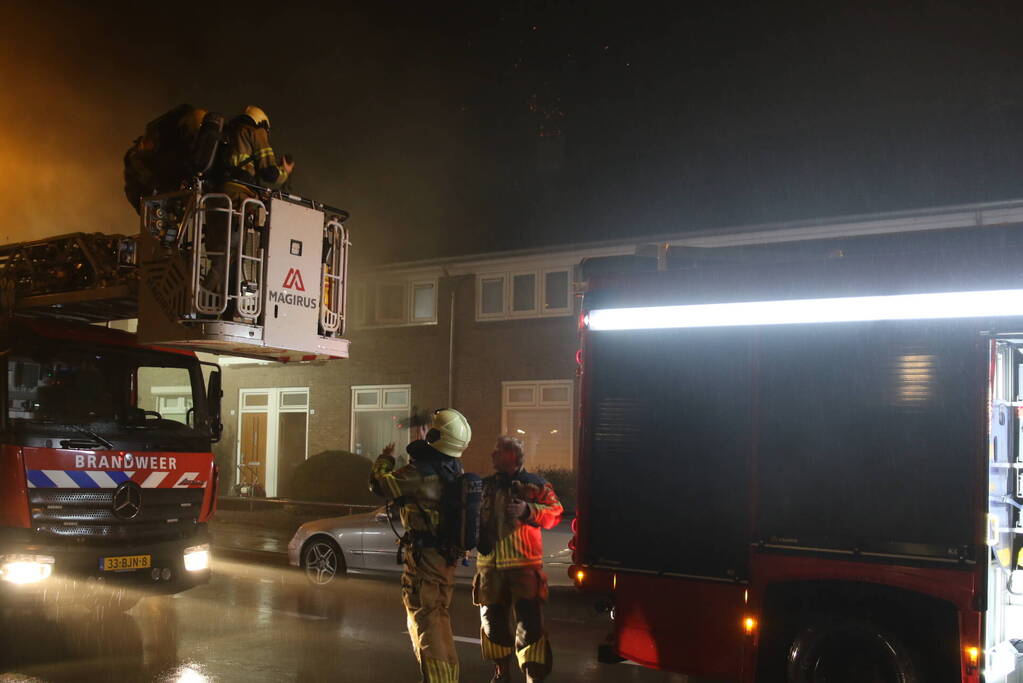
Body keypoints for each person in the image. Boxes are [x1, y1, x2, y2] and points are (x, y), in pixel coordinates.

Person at [368, 409, 473, 683]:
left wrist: (385, 460)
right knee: (438, 616)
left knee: (427, 618)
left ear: (437, 437)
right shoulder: (453, 468)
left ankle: (439, 680)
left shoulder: (419, 472)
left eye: (431, 431)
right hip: (444, 556)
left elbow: (380, 485)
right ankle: (446, 677)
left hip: (425, 558)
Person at [475, 436, 563, 683]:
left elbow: (556, 512)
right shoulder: (484, 486)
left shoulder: (535, 485)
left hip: (524, 569)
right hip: (489, 569)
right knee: (492, 625)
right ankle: (501, 672)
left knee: (530, 626)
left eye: (498, 451)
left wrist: (528, 510)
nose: (493, 455)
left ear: (513, 456)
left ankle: (533, 676)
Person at [204, 105, 294, 296]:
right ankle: (205, 293)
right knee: (233, 250)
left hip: (214, 197)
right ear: (261, 122)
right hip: (237, 198)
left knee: (219, 251)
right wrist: (284, 172)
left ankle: (214, 301)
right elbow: (269, 172)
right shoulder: (255, 131)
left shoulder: (224, 134)